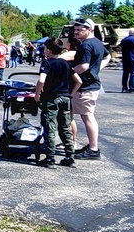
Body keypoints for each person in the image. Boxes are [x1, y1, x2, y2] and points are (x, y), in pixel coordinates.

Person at [34, 39, 82, 168]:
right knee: (65, 127)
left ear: (48, 50)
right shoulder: (66, 64)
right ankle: (69, 157)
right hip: (65, 98)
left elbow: (41, 80)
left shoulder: (47, 63)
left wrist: (37, 94)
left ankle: (50, 158)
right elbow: (79, 81)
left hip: (51, 98)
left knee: (50, 127)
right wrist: (70, 94)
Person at [70, 18, 110, 160]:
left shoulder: (86, 45)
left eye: (80, 29)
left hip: (85, 86)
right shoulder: (97, 43)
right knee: (84, 115)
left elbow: (84, 66)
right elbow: (108, 56)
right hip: (90, 84)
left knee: (87, 116)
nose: (76, 32)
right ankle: (90, 146)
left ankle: (93, 149)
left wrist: (68, 73)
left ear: (89, 30)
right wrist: (97, 69)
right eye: (75, 29)